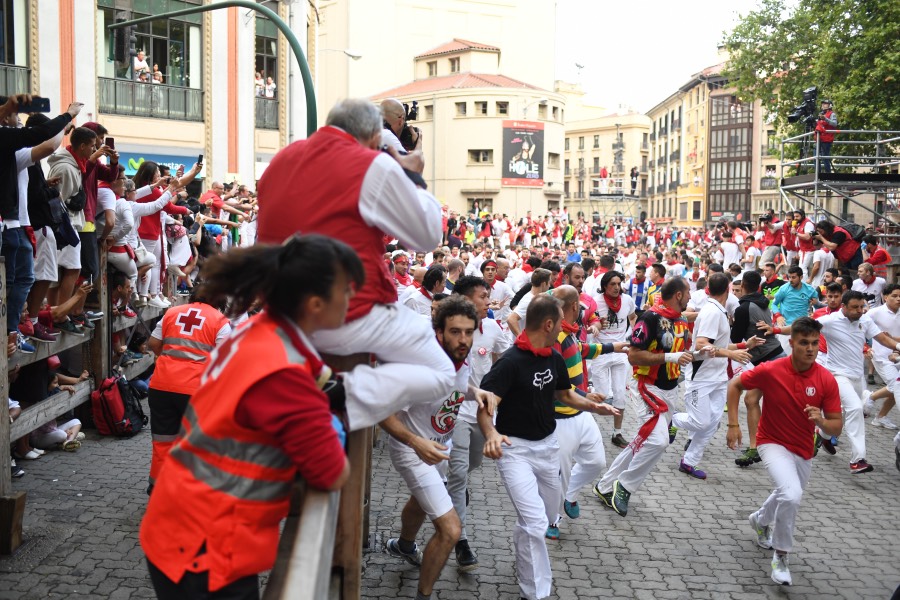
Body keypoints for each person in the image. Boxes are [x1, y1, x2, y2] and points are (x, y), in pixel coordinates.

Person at [140, 234, 361, 599]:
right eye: (347, 290)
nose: (352, 299)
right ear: (316, 303)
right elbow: (333, 471)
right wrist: (332, 420)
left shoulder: (260, 330)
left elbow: (315, 377)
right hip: (204, 548)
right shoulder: (285, 373)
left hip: (183, 526)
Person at [257, 98, 454, 431]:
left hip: (280, 307)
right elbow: (427, 238)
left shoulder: (282, 157)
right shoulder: (370, 164)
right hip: (343, 314)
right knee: (443, 373)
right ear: (374, 137)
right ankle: (342, 395)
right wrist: (414, 177)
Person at [477, 295, 619, 600]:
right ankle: (536, 591)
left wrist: (595, 407)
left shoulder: (553, 357)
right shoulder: (511, 363)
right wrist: (490, 433)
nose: (567, 327)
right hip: (515, 451)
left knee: (545, 516)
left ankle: (525, 546)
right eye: (562, 323)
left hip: (548, 447)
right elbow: (485, 405)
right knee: (535, 523)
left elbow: (565, 396)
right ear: (549, 324)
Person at [381, 296, 496, 600]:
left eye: (469, 332)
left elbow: (458, 386)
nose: (463, 339)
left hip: (438, 450)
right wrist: (416, 442)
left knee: (421, 501)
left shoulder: (461, 355)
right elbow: (382, 413)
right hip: (412, 449)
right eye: (455, 332)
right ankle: (424, 594)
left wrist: (477, 392)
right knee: (450, 530)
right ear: (439, 331)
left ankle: (404, 546)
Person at [726, 317, 842, 586]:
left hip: (803, 447)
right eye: (804, 343)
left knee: (787, 493)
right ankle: (781, 555)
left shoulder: (826, 379)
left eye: (814, 343)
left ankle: (759, 520)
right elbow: (735, 386)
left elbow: (836, 426)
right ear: (791, 344)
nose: (810, 349)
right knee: (791, 494)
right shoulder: (771, 369)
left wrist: (821, 422)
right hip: (771, 441)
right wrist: (733, 425)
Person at [593, 277, 694, 517]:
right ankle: (624, 486)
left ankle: (604, 486)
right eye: (688, 292)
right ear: (678, 295)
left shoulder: (680, 319)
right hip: (647, 387)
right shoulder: (650, 318)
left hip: (670, 391)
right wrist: (670, 358)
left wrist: (727, 350)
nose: (691, 296)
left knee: (643, 441)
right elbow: (634, 356)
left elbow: (684, 352)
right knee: (659, 441)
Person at [769, 290, 900, 473]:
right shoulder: (830, 321)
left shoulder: (865, 320)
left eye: (862, 307)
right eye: (855, 307)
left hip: (858, 377)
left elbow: (882, 338)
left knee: (845, 414)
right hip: (837, 375)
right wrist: (775, 329)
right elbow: (801, 327)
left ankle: (822, 434)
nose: (860, 310)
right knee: (855, 408)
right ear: (844, 307)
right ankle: (858, 460)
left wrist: (898, 346)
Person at [548, 285, 626, 539]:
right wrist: (586, 397)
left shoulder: (569, 333)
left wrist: (613, 347)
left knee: (595, 462)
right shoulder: (554, 337)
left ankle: (569, 495)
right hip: (560, 417)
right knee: (559, 473)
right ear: (573, 308)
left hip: (580, 413)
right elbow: (554, 384)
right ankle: (552, 521)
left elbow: (583, 350)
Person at [145, 285, 232, 494]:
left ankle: (158, 490)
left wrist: (168, 358)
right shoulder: (220, 322)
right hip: (196, 391)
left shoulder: (172, 313)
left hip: (161, 386)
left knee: (163, 440)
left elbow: (153, 343)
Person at [672, 273, 758, 479]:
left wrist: (744, 345)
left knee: (711, 423)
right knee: (700, 422)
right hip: (701, 377)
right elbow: (702, 345)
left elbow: (717, 345)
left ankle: (689, 461)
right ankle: (670, 420)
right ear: (728, 290)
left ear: (708, 289)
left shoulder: (719, 311)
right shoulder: (712, 311)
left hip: (718, 378)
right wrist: (731, 353)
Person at [730, 270, 788, 467]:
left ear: (744, 286)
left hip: (770, 360)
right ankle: (757, 447)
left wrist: (730, 323)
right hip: (774, 357)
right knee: (752, 400)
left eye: (738, 289)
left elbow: (736, 339)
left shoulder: (744, 307)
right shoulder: (763, 301)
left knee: (757, 400)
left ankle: (760, 446)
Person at [590, 270, 636, 448]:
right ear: (604, 287)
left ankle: (617, 433)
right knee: (601, 396)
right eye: (613, 284)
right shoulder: (595, 301)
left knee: (620, 395)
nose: (617, 288)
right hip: (601, 352)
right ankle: (588, 431)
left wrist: (633, 333)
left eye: (619, 284)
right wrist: (597, 325)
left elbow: (633, 316)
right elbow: (587, 322)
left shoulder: (627, 300)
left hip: (621, 352)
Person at [866, 284, 900, 430]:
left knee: (896, 388)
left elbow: (895, 338)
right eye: (894, 296)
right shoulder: (875, 312)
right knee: (896, 386)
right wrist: (866, 347)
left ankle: (879, 417)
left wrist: (893, 338)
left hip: (897, 356)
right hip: (880, 356)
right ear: (885, 297)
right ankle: (870, 398)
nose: (898, 299)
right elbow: (857, 328)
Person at [506, 268, 552, 337]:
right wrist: (521, 338)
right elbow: (511, 319)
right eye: (549, 283)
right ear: (543, 284)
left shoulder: (535, 298)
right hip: (523, 346)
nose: (549, 286)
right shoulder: (528, 301)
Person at [815, 99, 837, 173]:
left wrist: (825, 119)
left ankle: (828, 175)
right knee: (816, 157)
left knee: (825, 158)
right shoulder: (820, 114)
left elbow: (834, 124)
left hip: (827, 140)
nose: (823, 105)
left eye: (825, 104)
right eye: (823, 104)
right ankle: (818, 175)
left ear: (830, 105)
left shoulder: (832, 114)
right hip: (819, 139)